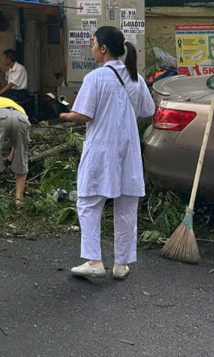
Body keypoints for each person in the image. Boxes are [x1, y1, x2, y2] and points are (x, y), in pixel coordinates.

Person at [61, 26, 155, 281]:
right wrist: (124, 115)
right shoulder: (135, 77)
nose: (91, 50)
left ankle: (94, 260)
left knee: (89, 202)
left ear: (103, 48)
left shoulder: (95, 78)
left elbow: (84, 114)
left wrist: (66, 115)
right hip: (129, 149)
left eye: (93, 44)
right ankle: (121, 263)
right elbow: (148, 110)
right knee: (126, 207)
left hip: (101, 148)